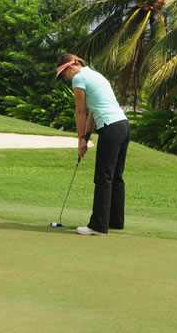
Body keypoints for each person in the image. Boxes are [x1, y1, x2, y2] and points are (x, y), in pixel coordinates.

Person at [56, 54, 130, 235]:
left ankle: (98, 226)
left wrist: (80, 139)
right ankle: (115, 221)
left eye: (63, 74)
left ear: (70, 67)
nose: (65, 79)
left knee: (103, 177)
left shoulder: (79, 78)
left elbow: (80, 112)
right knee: (115, 176)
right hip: (123, 126)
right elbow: (91, 113)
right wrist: (86, 137)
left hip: (110, 127)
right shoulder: (95, 75)